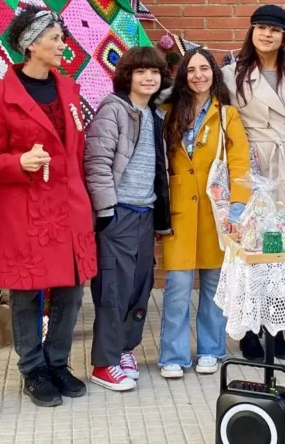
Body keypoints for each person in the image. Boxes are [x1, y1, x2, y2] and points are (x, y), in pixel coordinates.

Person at [0, 7, 96, 408]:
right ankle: (33, 369)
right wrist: (18, 163)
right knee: (26, 293)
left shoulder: (71, 91)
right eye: (55, 38)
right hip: (25, 207)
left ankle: (57, 362)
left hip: (70, 205)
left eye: (62, 37)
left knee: (71, 290)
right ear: (31, 43)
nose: (63, 45)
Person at [83, 46, 172, 392]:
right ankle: (103, 364)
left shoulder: (152, 113)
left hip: (145, 213)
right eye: (141, 72)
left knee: (139, 286)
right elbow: (97, 163)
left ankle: (124, 350)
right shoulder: (113, 110)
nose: (149, 78)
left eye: (154, 72)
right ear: (127, 76)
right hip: (117, 213)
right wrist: (105, 211)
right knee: (113, 289)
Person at [159, 48, 251, 379]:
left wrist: (238, 206)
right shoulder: (167, 112)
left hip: (216, 212)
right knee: (178, 286)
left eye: (205, 68)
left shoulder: (227, 115)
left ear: (214, 73)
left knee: (214, 286)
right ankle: (173, 354)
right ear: (183, 75)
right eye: (191, 70)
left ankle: (212, 349)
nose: (198, 75)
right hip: (180, 210)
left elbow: (240, 163)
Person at [222, 4, 285, 361]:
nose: (266, 34)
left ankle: (277, 326)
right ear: (251, 31)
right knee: (253, 247)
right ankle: (250, 329)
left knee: (281, 248)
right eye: (260, 27)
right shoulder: (231, 74)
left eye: (274, 29)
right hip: (253, 167)